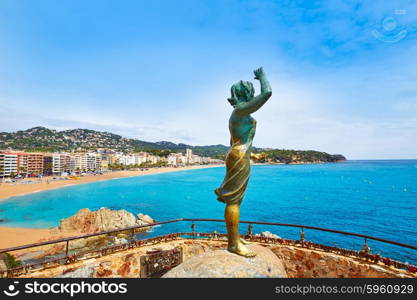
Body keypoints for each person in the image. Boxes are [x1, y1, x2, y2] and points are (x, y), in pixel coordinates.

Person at [214, 67, 272, 257]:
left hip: (240, 155)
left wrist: (252, 155)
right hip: (239, 157)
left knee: (236, 200)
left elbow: (236, 141)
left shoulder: (240, 113)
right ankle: (233, 244)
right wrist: (262, 77)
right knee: (234, 202)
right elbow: (267, 93)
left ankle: (235, 237)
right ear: (248, 93)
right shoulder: (240, 110)